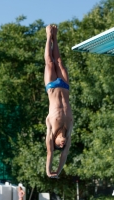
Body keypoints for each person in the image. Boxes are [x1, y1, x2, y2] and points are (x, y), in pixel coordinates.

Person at [44, 25, 73, 178]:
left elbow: (50, 154)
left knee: (50, 62)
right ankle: (56, 37)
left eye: (58, 145)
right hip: (65, 86)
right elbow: (65, 155)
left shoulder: (51, 130)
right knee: (60, 62)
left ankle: (49, 35)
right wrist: (60, 171)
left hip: (52, 87)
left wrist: (50, 171)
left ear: (54, 140)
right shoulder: (68, 131)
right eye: (62, 146)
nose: (61, 146)